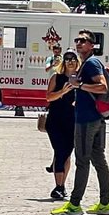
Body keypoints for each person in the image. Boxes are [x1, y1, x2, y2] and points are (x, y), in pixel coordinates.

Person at [51, 32, 109, 215]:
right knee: (99, 161)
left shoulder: (92, 63)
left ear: (92, 45)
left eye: (83, 41)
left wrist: (79, 86)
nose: (79, 43)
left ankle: (75, 204)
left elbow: (103, 87)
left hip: (87, 120)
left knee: (83, 161)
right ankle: (105, 203)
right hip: (96, 118)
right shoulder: (89, 63)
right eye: (77, 40)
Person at [44, 51, 79, 201]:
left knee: (66, 153)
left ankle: (62, 185)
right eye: (67, 59)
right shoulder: (56, 78)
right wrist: (62, 91)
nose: (70, 62)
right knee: (60, 151)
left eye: (73, 59)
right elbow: (49, 97)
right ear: (63, 62)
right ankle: (58, 187)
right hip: (55, 120)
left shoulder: (81, 79)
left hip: (73, 121)